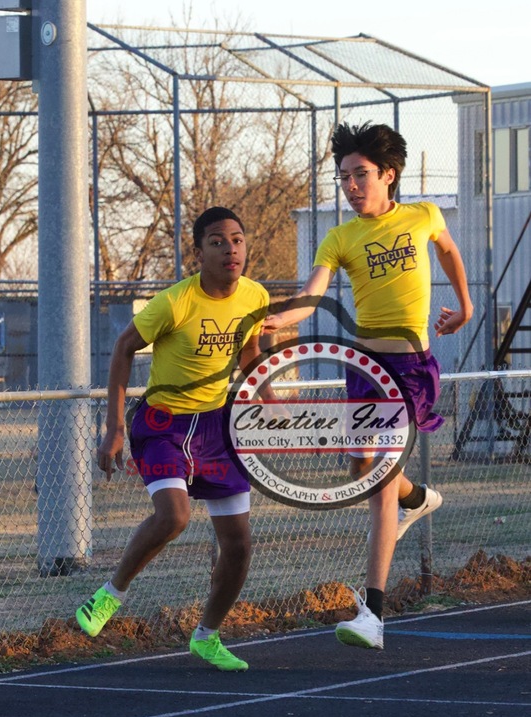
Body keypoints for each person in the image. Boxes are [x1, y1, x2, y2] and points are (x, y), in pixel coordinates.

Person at [262, 121, 474, 650]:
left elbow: (447, 252)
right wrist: (277, 321)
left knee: (377, 483)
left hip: (409, 371)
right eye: (343, 178)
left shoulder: (422, 215)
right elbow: (312, 296)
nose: (352, 186)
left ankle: (372, 616)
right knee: (362, 471)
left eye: (360, 175)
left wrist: (465, 306)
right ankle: (418, 498)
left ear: (388, 175)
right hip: (364, 371)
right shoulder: (340, 238)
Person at [76, 206, 272, 671]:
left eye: (238, 239)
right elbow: (124, 348)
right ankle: (109, 594)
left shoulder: (255, 295)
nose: (231, 249)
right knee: (175, 516)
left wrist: (266, 392)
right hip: (163, 425)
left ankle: (207, 636)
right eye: (218, 241)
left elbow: (248, 349)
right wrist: (114, 428)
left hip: (216, 428)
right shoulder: (175, 301)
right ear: (198, 251)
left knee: (240, 545)